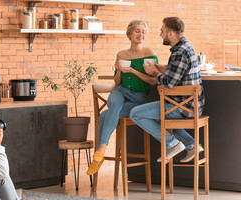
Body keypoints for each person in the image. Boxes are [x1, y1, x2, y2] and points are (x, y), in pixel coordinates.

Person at [87, 20, 158, 175]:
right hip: (121, 92)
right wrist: (119, 70)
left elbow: (153, 80)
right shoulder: (121, 54)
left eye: (143, 31)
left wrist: (133, 71)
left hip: (139, 98)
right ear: (130, 33)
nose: (141, 34)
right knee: (115, 99)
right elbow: (117, 82)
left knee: (106, 114)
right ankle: (101, 151)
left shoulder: (149, 53)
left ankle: (99, 153)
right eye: (137, 31)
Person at [130, 17, 205, 163]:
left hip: (182, 107)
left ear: (171, 33)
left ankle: (172, 144)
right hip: (190, 105)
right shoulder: (184, 47)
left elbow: (169, 83)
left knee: (136, 114)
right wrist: (160, 67)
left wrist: (154, 73)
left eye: (162, 31)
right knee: (160, 117)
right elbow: (177, 72)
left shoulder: (179, 52)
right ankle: (192, 145)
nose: (160, 34)